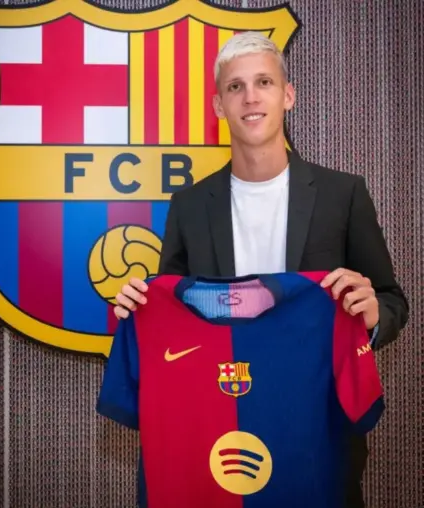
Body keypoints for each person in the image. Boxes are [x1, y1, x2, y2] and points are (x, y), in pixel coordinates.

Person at [112, 31, 409, 508]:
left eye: (264, 82)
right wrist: (139, 307)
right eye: (236, 87)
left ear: (288, 95)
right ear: (219, 105)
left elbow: (393, 300)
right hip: (219, 431)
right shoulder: (189, 205)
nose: (250, 97)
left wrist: (372, 316)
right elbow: (173, 308)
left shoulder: (343, 194)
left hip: (316, 428)